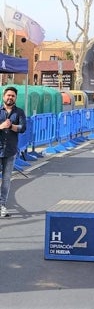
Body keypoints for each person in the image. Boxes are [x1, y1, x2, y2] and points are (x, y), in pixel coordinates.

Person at [0, 86, 27, 218]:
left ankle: (2, 205)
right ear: (3, 96)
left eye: (13, 96)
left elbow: (23, 128)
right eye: (8, 95)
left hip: (10, 151)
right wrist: (2, 126)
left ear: (15, 98)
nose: (10, 97)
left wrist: (11, 126)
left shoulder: (19, 112)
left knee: (6, 180)